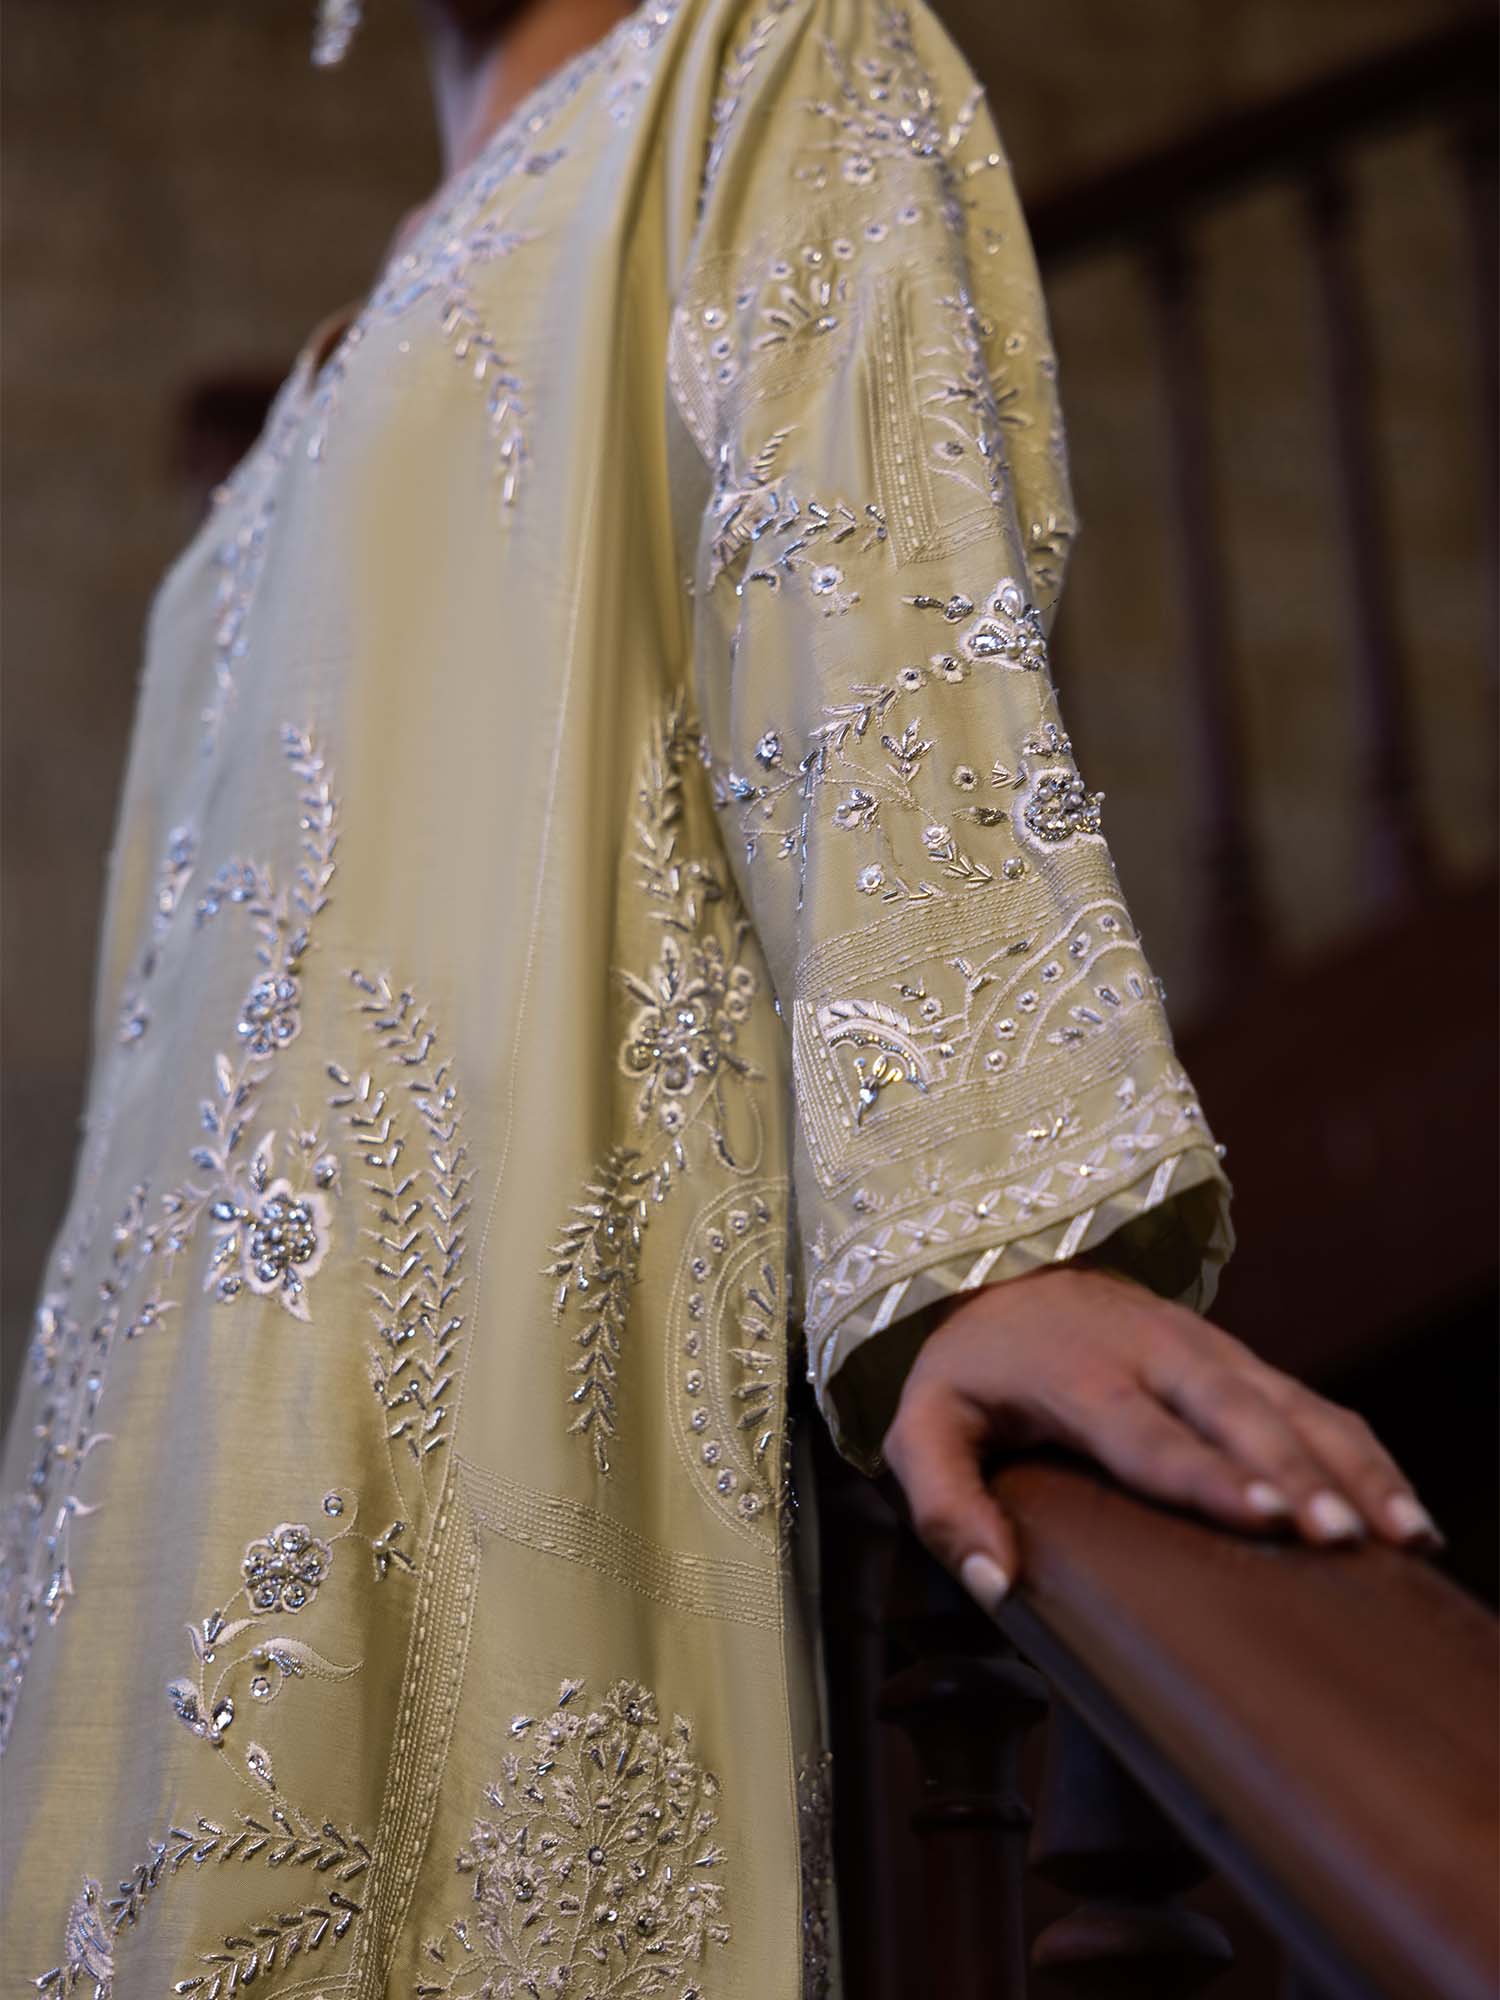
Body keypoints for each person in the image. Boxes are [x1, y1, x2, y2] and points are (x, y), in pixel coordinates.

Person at [0, 0, 1443, 1993]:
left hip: (488, 1480)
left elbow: (867, 611)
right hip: (178, 1535)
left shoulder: (759, 62)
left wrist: (986, 1235)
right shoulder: (352, 341)